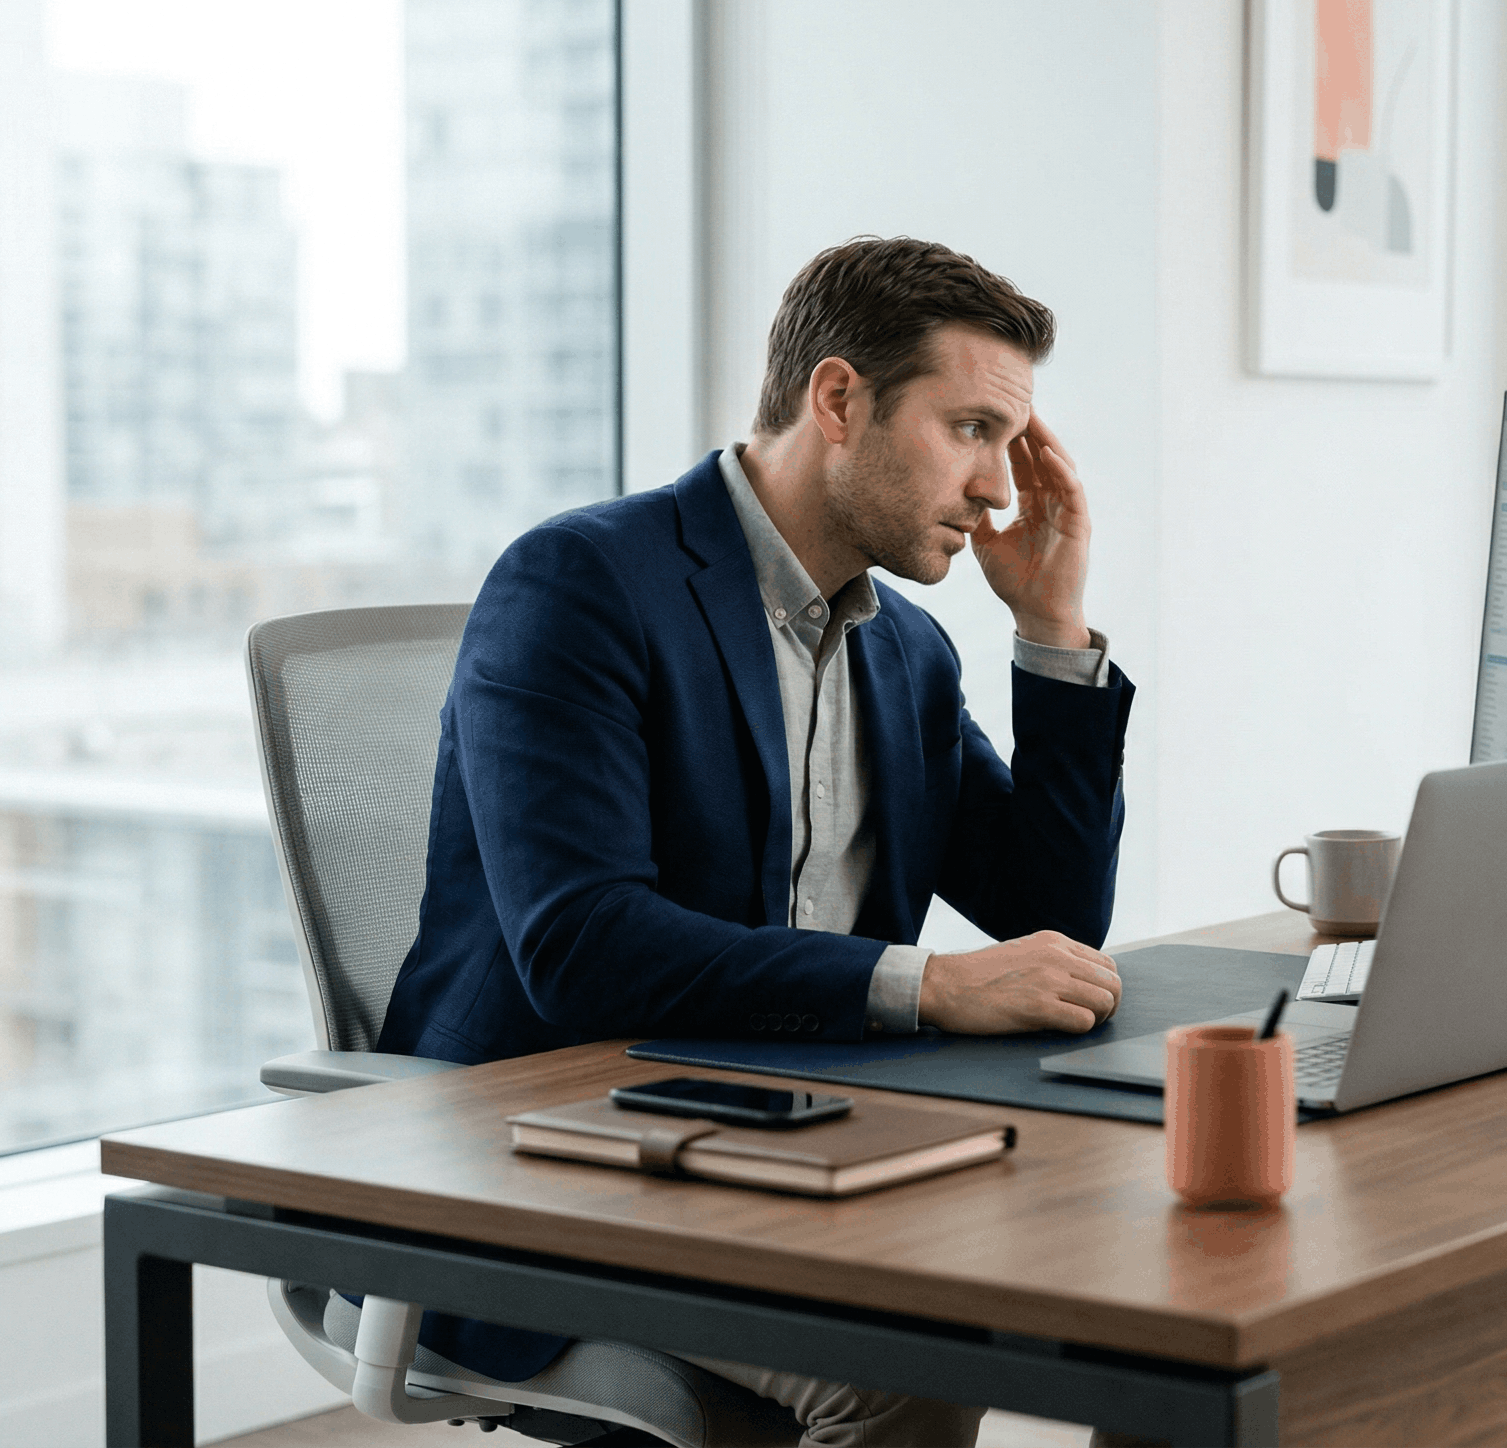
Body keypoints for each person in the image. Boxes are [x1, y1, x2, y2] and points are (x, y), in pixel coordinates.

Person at [373, 236, 1136, 1447]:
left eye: (1009, 441)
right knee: (906, 1363)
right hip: (545, 1158)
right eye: (971, 429)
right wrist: (922, 985)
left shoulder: (906, 651)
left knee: (1142, 1292)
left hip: (798, 1132)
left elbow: (1050, 908)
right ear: (839, 401)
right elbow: (581, 946)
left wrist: (1050, 627)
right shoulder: (581, 583)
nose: (999, 489)